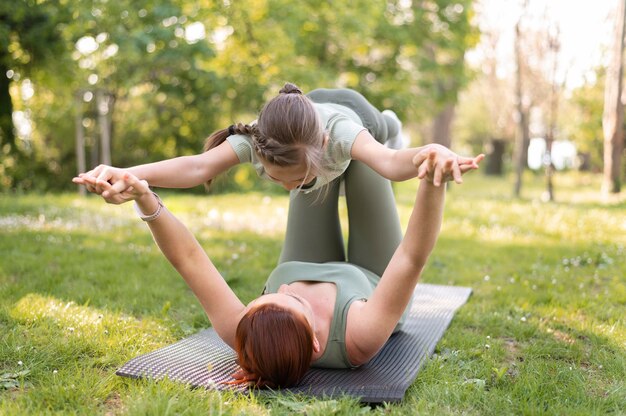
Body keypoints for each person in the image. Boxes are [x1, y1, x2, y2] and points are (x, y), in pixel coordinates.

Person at [75, 148, 483, 388]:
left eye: (268, 295)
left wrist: (144, 197)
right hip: (373, 277)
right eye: (294, 304)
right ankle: (382, 125)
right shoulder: (360, 335)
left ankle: (347, 119)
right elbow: (410, 257)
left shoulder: (242, 330)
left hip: (309, 256)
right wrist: (432, 177)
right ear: (318, 345)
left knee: (313, 159)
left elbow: (188, 259)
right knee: (362, 164)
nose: (290, 289)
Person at [73, 83, 479, 201]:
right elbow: (197, 167)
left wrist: (430, 152)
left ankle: (391, 120)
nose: (286, 187)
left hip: (357, 113)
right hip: (298, 122)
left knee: (383, 133)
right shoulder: (259, 140)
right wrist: (129, 174)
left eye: (294, 178)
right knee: (310, 197)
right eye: (277, 178)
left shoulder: (339, 134)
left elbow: (391, 163)